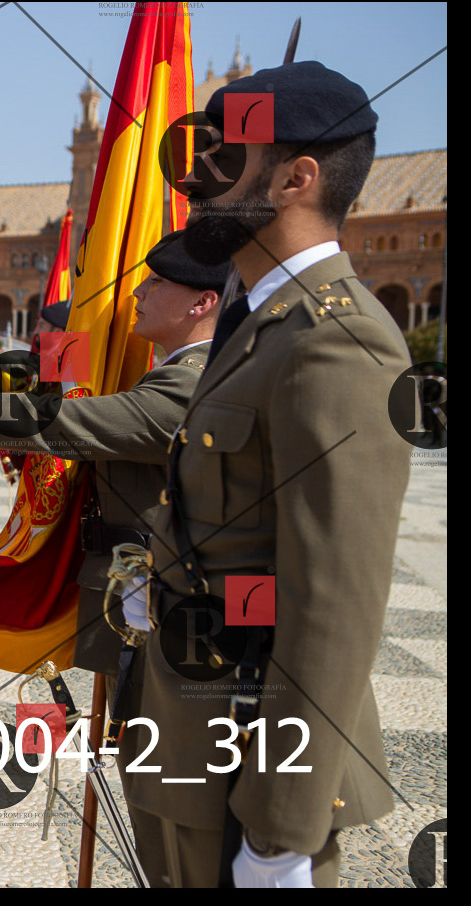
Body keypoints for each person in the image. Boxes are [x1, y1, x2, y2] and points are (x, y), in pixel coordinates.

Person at [0, 230, 226, 884]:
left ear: (202, 302)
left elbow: (67, 424)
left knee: (176, 810)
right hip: (150, 613)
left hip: (181, 626)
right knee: (156, 799)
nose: (137, 293)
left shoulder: (194, 381)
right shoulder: (181, 370)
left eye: (156, 284)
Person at [128, 61, 412, 889]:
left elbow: (334, 605)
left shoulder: (336, 340)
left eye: (224, 159)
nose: (193, 180)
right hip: (194, 732)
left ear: (295, 179)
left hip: (250, 757)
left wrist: (282, 829)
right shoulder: (261, 319)